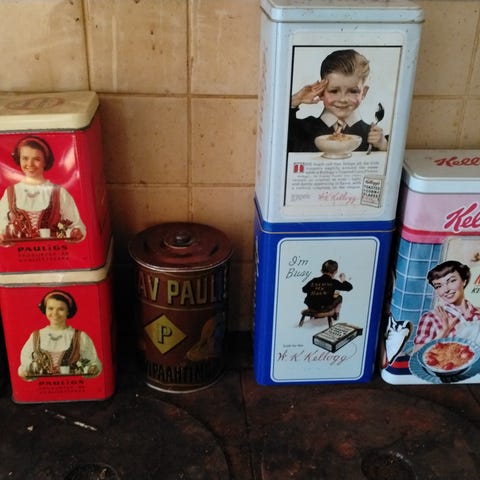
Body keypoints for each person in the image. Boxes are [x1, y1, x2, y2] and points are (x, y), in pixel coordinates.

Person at [288, 49, 388, 152]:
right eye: (334, 91)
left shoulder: (373, 136)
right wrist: (295, 100)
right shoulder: (302, 130)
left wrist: (384, 146)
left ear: (364, 93)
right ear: (321, 92)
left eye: (353, 91)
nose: (342, 99)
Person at [0, 135, 86, 244]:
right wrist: (3, 235)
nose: (30, 164)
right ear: (19, 159)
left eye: (37, 159)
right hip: (19, 252)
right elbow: (1, 224)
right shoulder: (10, 192)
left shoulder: (59, 193)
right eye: (25, 158)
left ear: (45, 161)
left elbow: (75, 225)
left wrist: (75, 232)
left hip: (53, 250)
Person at [18, 290, 102, 378]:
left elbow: (92, 363)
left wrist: (93, 368)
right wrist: (25, 371)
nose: (55, 313)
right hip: (44, 384)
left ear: (68, 311)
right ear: (45, 309)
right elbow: (25, 363)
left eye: (61, 309)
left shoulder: (80, 337)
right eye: (50, 308)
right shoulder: (36, 336)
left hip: (72, 383)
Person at [413, 261, 480, 352]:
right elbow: (416, 356)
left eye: (452, 281)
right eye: (438, 286)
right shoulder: (431, 318)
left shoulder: (478, 313)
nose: (446, 290)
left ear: (464, 281)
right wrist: (444, 331)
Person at [299, 259, 353, 326]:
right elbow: (349, 287)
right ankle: (336, 315)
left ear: (321, 271)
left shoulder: (314, 280)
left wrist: (316, 290)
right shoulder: (333, 282)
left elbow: (304, 289)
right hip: (325, 308)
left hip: (311, 307)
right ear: (335, 272)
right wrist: (343, 279)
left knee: (321, 299)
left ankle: (316, 314)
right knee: (339, 297)